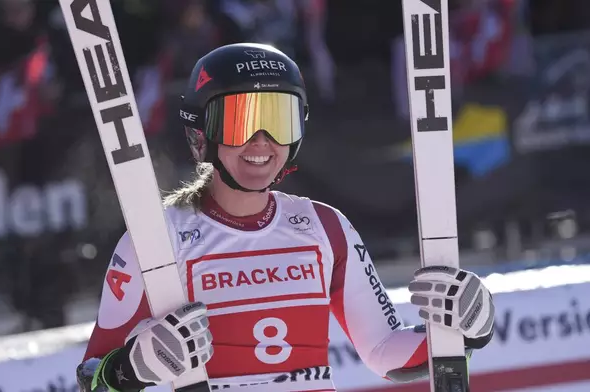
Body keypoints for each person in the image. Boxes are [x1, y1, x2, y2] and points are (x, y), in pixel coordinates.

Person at [76, 43, 495, 392]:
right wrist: (128, 370)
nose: (262, 142)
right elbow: (91, 378)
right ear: (200, 133)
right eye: (241, 122)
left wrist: (466, 331)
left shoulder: (325, 228)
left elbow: (386, 351)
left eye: (279, 120)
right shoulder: (156, 239)